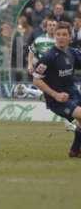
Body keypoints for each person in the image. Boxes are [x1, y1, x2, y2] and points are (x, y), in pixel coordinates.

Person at [16, 17, 77, 132]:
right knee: (54, 97)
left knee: (52, 97)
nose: (52, 27)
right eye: (50, 25)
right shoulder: (39, 40)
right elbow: (32, 51)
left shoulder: (60, 40)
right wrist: (29, 64)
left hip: (59, 74)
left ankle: (27, 91)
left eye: (54, 25)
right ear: (46, 27)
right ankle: (70, 122)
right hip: (44, 74)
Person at [33, 21, 81, 158]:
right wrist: (56, 95)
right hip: (58, 100)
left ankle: (75, 151)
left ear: (70, 37)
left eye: (64, 34)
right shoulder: (48, 57)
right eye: (58, 34)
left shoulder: (72, 53)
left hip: (73, 94)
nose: (61, 37)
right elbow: (36, 80)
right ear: (54, 36)